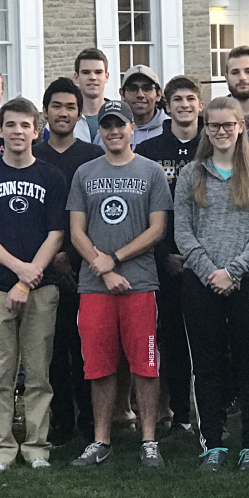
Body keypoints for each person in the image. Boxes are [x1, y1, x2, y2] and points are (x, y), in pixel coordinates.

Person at [67, 101, 173, 470]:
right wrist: (104, 268)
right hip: (95, 286)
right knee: (98, 365)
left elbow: (157, 228)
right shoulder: (84, 173)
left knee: (145, 363)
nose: (114, 131)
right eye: (107, 125)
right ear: (101, 130)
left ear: (132, 129)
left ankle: (148, 439)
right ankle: (101, 438)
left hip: (140, 283)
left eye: (120, 125)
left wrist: (116, 258)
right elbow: (76, 231)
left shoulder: (151, 172)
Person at [173, 97, 249, 471]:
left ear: (240, 128)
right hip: (201, 284)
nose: (220, 132)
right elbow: (182, 232)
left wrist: (233, 271)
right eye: (213, 125)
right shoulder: (191, 175)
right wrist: (210, 271)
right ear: (206, 129)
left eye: (227, 125)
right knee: (207, 365)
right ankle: (212, 444)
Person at [0, 97, 67, 472]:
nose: (17, 132)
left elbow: (56, 234)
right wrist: (17, 270)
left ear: (35, 131)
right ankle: (0, 449)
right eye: (10, 125)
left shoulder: (50, 176)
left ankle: (37, 446)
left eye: (25, 126)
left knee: (39, 374)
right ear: (1, 130)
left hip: (41, 290)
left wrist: (29, 279)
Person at [34, 78, 103, 441]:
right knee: (53, 347)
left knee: (88, 346)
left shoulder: (92, 158)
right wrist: (51, 258)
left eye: (70, 107)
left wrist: (77, 255)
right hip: (42, 268)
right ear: (46, 111)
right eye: (57, 106)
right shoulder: (33, 155)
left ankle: (92, 418)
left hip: (87, 265)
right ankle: (60, 420)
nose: (63, 113)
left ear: (79, 114)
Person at [136, 75, 204, 434]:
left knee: (209, 339)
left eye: (191, 98)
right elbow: (144, 211)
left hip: (207, 258)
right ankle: (177, 412)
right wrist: (165, 254)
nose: (184, 105)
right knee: (171, 339)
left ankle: (211, 410)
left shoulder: (214, 143)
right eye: (177, 99)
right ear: (168, 105)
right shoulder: (149, 152)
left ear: (200, 104)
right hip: (162, 260)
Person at [121, 65, 168, 146]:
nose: (140, 95)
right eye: (132, 88)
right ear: (122, 94)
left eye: (147, 88)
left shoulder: (172, 130)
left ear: (158, 95)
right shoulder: (111, 130)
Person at [73, 47, 111, 144]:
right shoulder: (64, 118)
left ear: (106, 77)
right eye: (86, 72)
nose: (93, 77)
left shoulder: (122, 118)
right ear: (76, 77)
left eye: (98, 72)